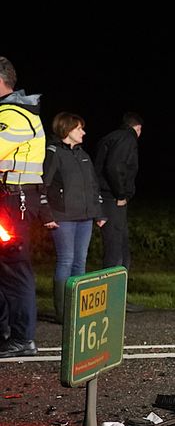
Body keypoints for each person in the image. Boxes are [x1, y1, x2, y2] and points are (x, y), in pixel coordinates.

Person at [38, 113, 105, 322]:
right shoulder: (54, 153)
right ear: (67, 130)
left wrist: (98, 212)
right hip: (63, 216)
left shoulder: (83, 155)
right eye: (79, 128)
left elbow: (93, 186)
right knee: (66, 260)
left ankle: (77, 311)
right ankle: (63, 313)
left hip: (84, 217)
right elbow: (43, 185)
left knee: (80, 262)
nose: (83, 132)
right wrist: (46, 214)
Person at [0, 57, 46, 358]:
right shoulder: (13, 112)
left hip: (12, 201)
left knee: (14, 269)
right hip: (10, 199)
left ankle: (22, 338)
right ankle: (9, 332)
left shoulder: (14, 114)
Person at [93, 111, 143, 272]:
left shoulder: (110, 137)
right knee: (116, 249)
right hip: (112, 199)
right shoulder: (128, 138)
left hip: (106, 197)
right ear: (138, 128)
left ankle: (117, 292)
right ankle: (111, 292)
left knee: (118, 245)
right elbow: (114, 167)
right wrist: (121, 194)